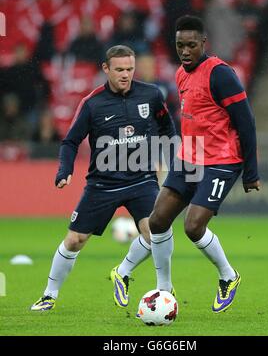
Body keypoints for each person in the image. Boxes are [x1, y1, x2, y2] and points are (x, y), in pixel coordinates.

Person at [30, 45, 176, 311]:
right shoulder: (92, 103)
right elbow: (71, 141)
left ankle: (160, 287)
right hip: (103, 184)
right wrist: (65, 169)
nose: (125, 75)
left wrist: (173, 158)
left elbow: (167, 128)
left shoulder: (151, 95)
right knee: (75, 240)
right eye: (119, 69)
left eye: (129, 69)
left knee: (155, 229)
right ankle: (49, 294)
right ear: (106, 69)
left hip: (142, 179)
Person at [148, 15, 260, 314]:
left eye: (191, 45)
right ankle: (164, 289)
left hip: (222, 159)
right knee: (157, 221)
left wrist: (251, 171)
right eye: (180, 45)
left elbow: (246, 122)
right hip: (189, 156)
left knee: (193, 226)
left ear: (203, 43)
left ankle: (228, 276)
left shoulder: (221, 74)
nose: (185, 51)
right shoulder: (181, 74)